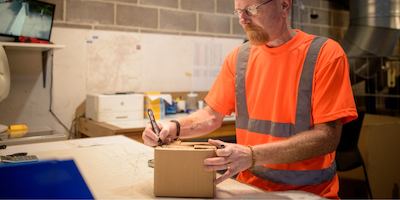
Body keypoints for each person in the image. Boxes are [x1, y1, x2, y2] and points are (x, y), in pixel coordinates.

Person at [142, 0, 357, 198]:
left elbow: (327, 137)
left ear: (284, 5)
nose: (242, 19)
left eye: (251, 9)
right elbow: (210, 115)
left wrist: (252, 155)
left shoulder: (325, 54)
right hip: (249, 190)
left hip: (310, 193)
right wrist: (174, 127)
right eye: (238, 11)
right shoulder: (239, 58)